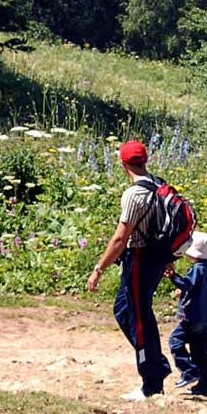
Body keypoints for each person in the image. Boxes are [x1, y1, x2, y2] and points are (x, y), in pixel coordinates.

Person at [85, 139, 172, 400]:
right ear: (146, 160)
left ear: (123, 164)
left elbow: (120, 239)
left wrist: (99, 269)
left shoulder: (134, 194)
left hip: (140, 259)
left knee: (139, 318)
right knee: (124, 310)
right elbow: (166, 227)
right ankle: (156, 362)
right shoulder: (160, 184)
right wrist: (169, 260)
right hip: (157, 258)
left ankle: (151, 383)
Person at [168, 230, 207, 396]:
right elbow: (199, 290)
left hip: (193, 317)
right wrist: (184, 291)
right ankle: (205, 385)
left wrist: (173, 276)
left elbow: (186, 285)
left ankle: (188, 371)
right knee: (200, 351)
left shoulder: (197, 269)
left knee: (175, 340)